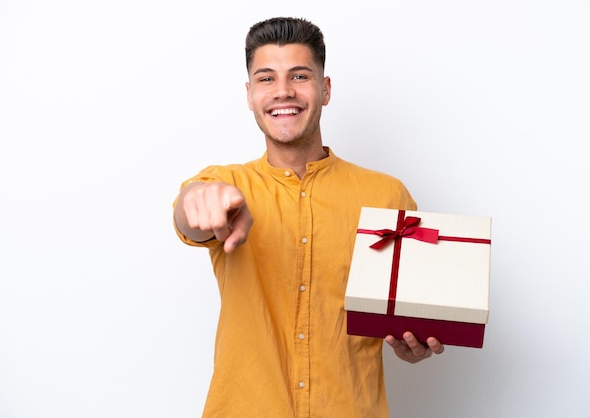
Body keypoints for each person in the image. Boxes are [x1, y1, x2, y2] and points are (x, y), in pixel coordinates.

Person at [173, 16, 444, 418]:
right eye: (266, 79)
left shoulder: (388, 196)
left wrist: (415, 343)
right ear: (249, 95)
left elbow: (411, 316)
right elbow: (188, 214)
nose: (283, 92)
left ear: (325, 88)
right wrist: (200, 200)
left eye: (299, 76)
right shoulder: (225, 183)